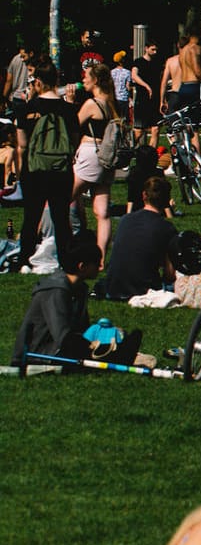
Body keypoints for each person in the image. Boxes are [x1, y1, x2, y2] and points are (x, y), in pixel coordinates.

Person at [11, 241, 143, 366]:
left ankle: (118, 353)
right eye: (96, 263)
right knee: (97, 351)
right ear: (82, 266)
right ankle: (118, 355)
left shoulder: (79, 289)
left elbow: (81, 329)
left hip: (63, 346)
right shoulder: (55, 290)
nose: (100, 267)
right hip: (40, 354)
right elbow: (63, 337)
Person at [14, 64, 79, 258]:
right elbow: (73, 143)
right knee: (60, 217)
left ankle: (25, 257)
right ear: (57, 81)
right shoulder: (68, 110)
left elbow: (22, 144)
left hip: (34, 170)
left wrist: (19, 172)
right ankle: (65, 258)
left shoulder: (26, 109)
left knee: (31, 217)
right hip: (61, 171)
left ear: (38, 83)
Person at [99, 176, 179, 299]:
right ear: (166, 200)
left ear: (143, 196)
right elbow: (169, 274)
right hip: (143, 289)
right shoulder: (167, 228)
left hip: (112, 288)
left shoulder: (125, 219)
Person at [70, 63, 120, 259]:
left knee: (64, 198)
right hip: (107, 157)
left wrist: (70, 101)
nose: (83, 80)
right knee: (102, 212)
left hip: (91, 153)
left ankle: (68, 244)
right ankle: (100, 257)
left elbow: (73, 124)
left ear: (96, 80)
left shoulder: (92, 103)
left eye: (86, 77)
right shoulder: (112, 103)